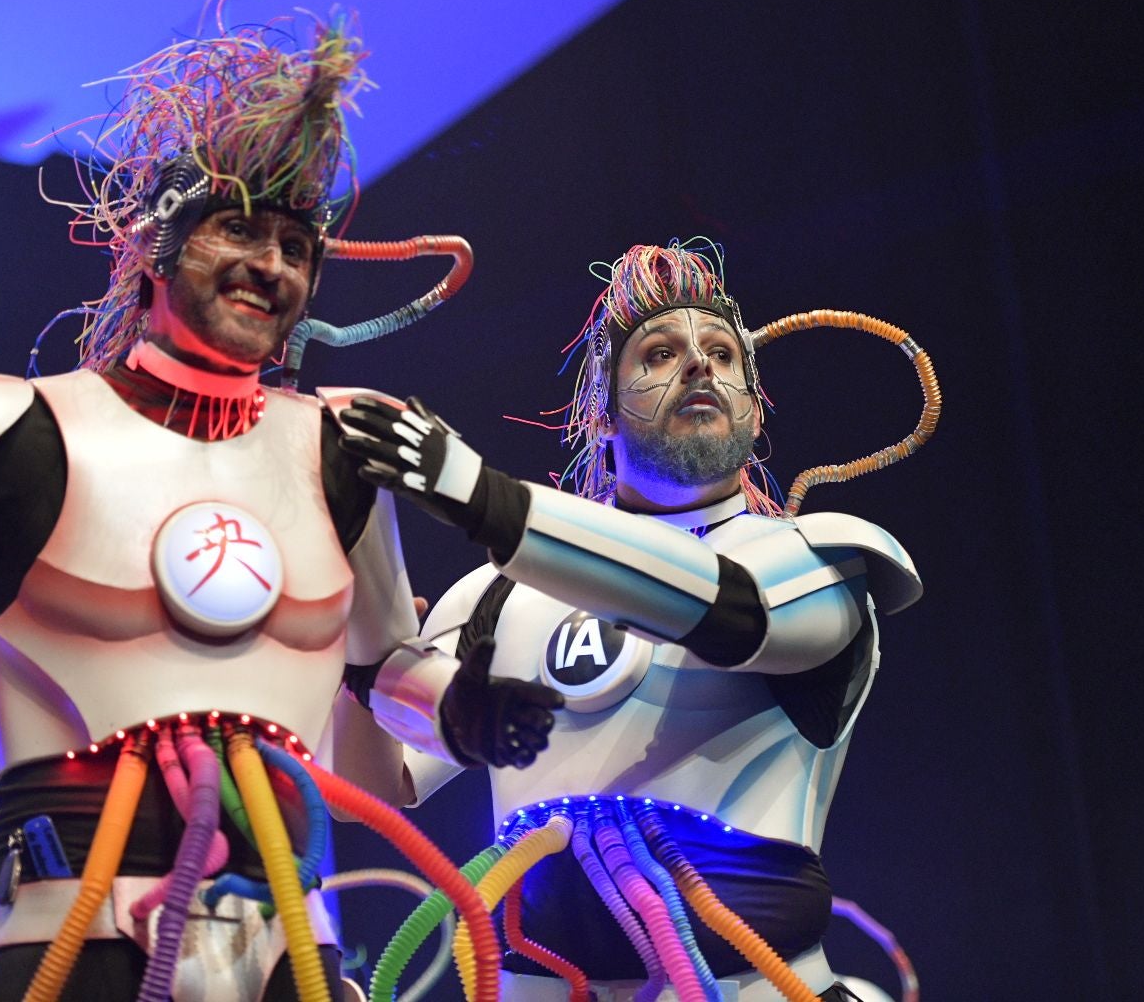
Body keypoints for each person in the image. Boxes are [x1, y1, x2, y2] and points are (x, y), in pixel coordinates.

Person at [0, 1, 557, 1002]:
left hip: (289, 948)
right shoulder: (17, 435)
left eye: (294, 245)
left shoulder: (340, 449)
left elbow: (379, 669)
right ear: (154, 246)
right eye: (239, 229)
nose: (271, 264)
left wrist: (458, 708)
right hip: (79, 938)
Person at [337, 239, 923, 1002]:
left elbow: (728, 611)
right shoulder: (499, 594)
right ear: (602, 416)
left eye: (721, 354)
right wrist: (364, 614)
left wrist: (485, 498)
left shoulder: (820, 559)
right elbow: (380, 775)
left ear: (753, 409)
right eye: (658, 353)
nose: (698, 366)